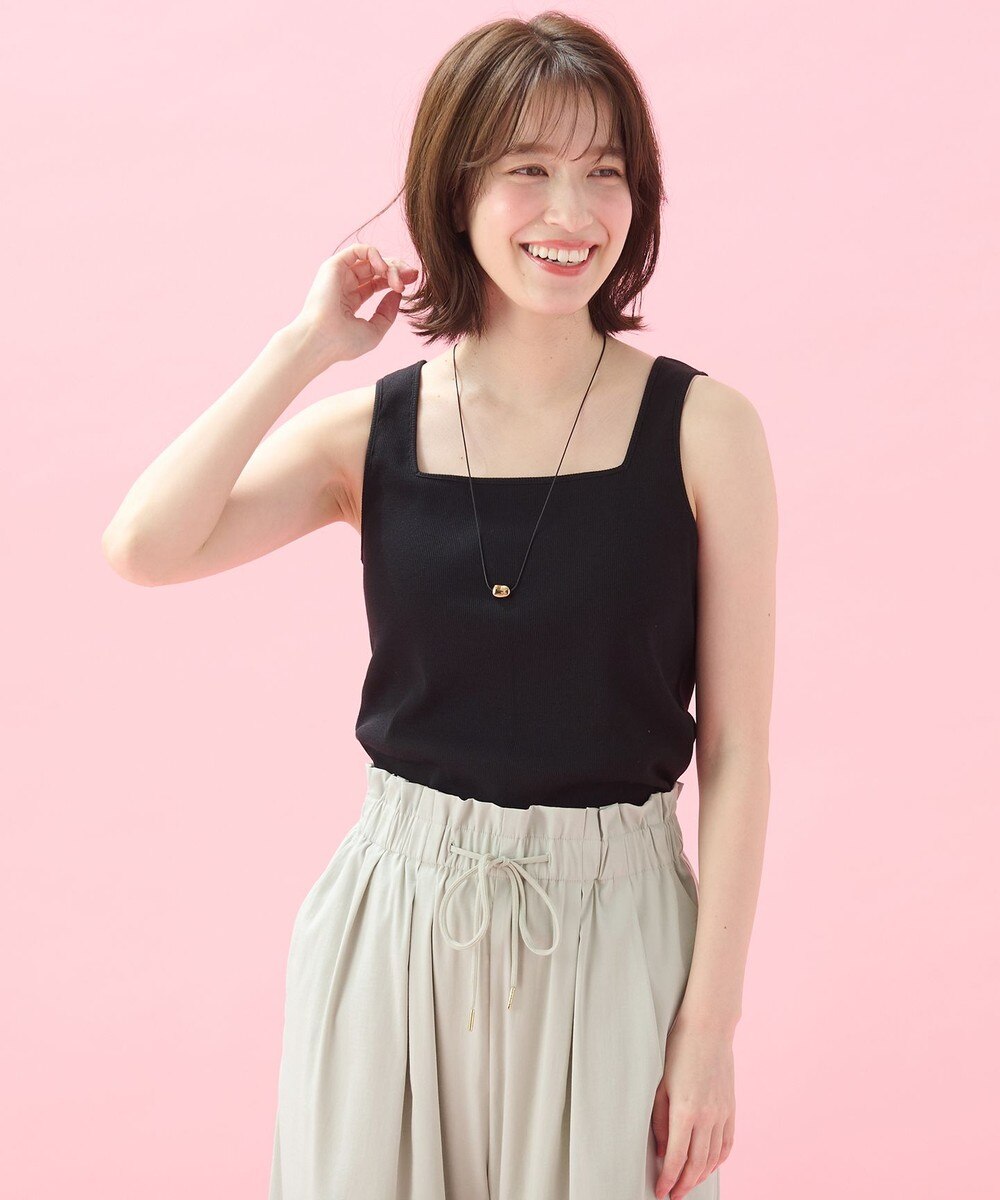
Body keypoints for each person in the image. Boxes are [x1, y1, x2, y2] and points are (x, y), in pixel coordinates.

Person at [102, 12, 776, 1200]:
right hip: (396, 929)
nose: (572, 212)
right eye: (529, 169)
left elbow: (733, 752)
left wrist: (708, 1030)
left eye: (604, 172)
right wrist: (304, 348)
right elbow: (145, 547)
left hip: (617, 930)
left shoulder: (706, 430)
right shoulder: (371, 436)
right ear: (456, 191)